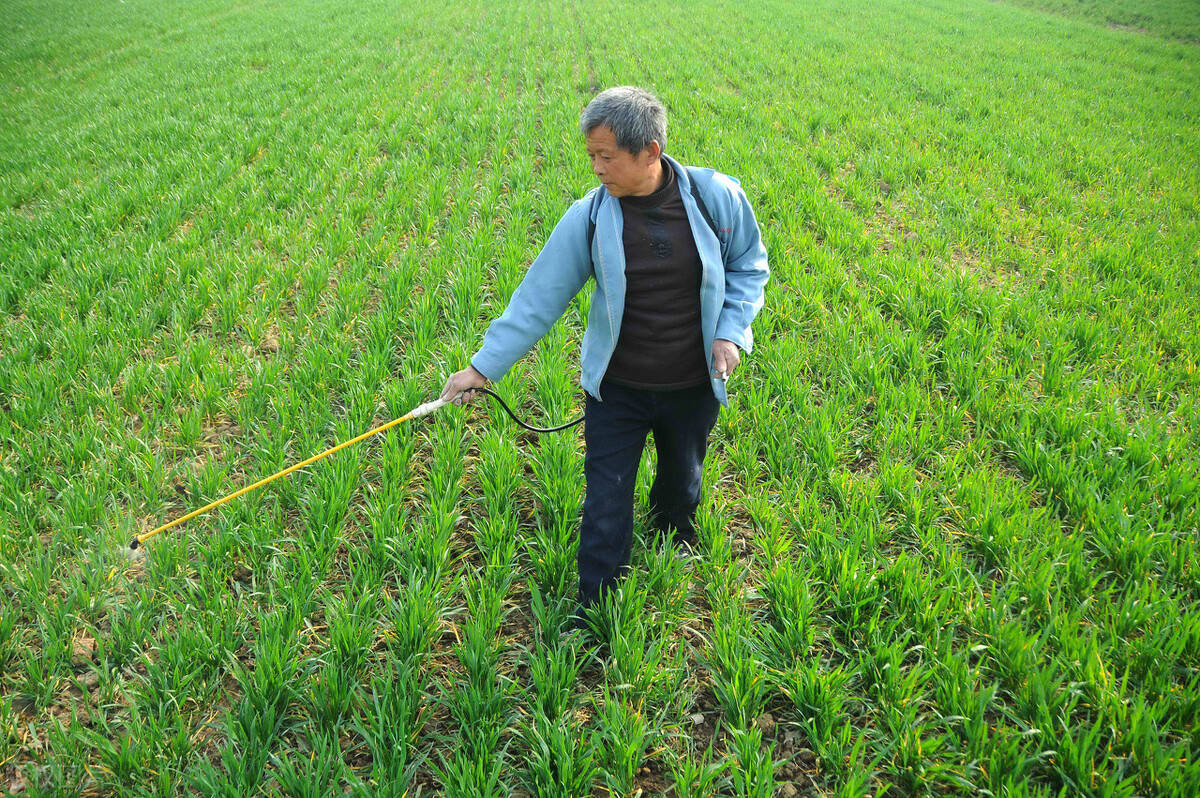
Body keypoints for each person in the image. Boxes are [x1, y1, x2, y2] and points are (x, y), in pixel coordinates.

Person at [440, 85, 769, 625]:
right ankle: (597, 608)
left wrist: (730, 332)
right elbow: (536, 300)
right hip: (618, 389)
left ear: (651, 152)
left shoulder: (716, 199)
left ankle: (672, 542)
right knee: (605, 499)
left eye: (606, 156)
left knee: (681, 478)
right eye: (591, 155)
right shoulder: (589, 217)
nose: (596, 168)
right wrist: (482, 367)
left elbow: (749, 267)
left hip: (692, 384)